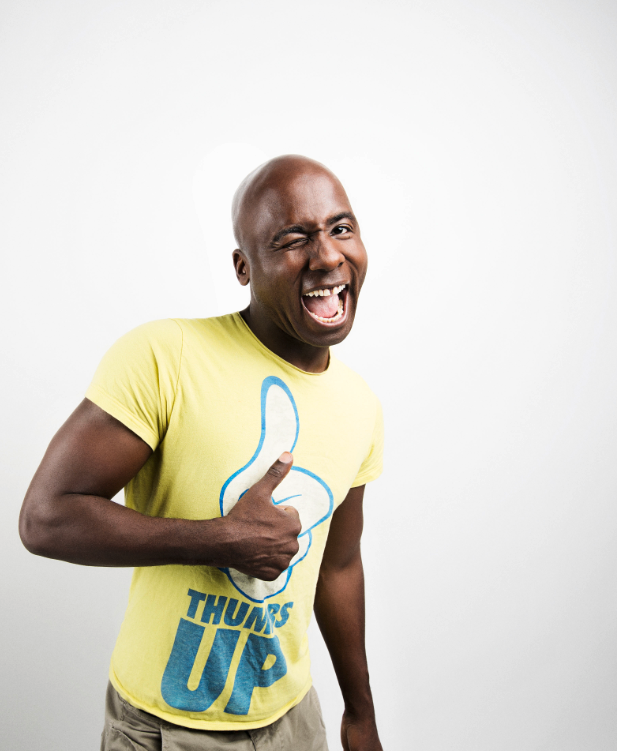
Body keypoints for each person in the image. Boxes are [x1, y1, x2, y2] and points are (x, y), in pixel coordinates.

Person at [20, 155, 384, 751]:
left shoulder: (360, 405)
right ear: (244, 267)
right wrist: (220, 540)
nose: (326, 256)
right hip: (166, 725)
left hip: (295, 720)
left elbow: (339, 566)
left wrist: (360, 713)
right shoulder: (167, 356)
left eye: (340, 228)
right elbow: (46, 518)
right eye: (293, 239)